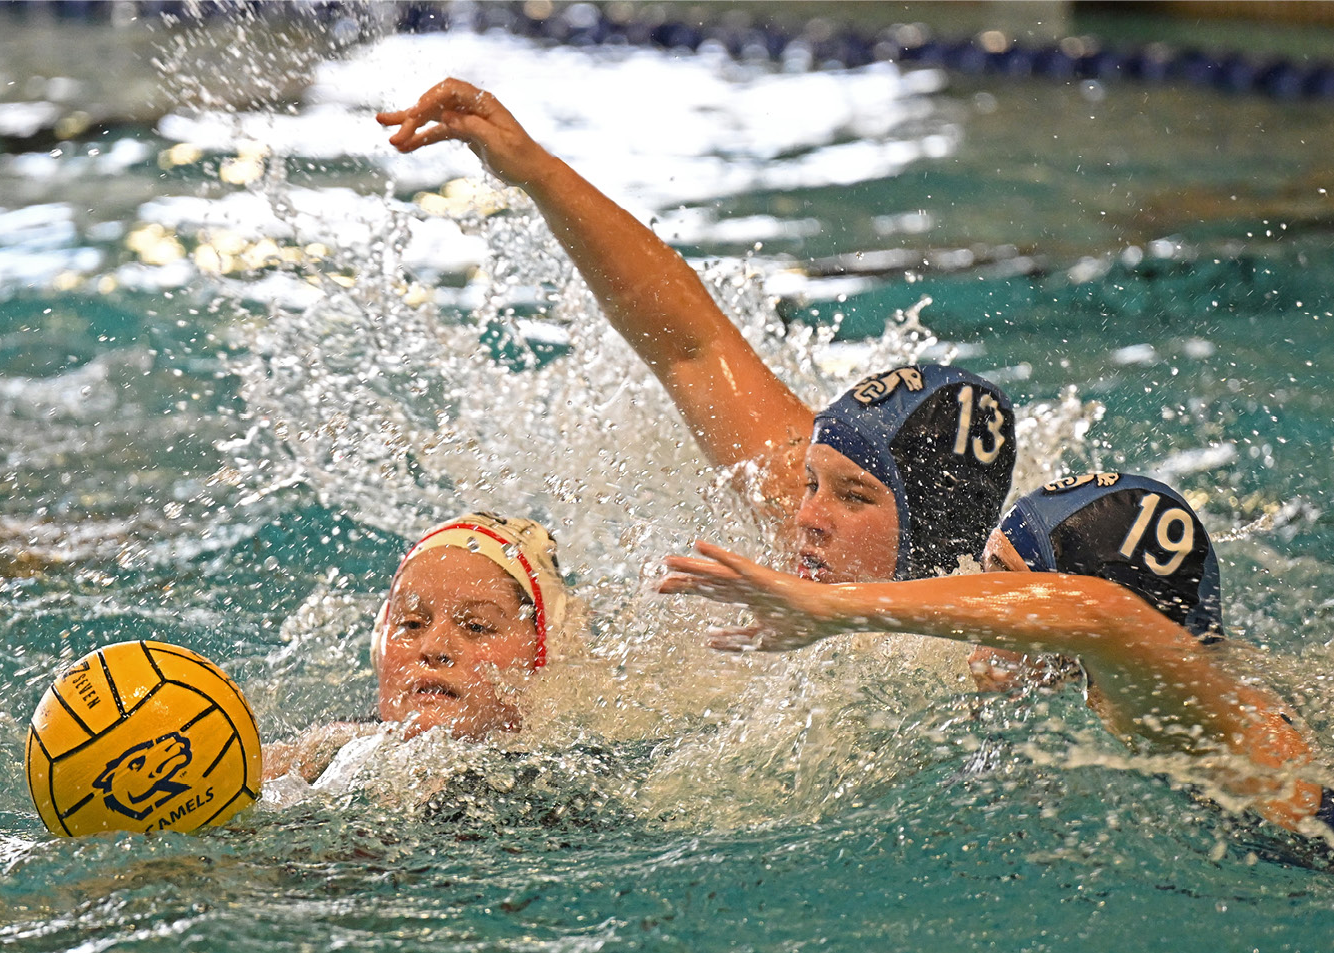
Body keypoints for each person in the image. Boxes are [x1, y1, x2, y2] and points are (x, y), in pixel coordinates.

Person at [376, 79, 1016, 583]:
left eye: (853, 498)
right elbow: (693, 346)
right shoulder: (793, 503)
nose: (805, 518)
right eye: (813, 480)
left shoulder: (978, 648)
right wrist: (534, 170)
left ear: (933, 535)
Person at [657, 471, 1334, 845]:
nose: (981, 609)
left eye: (1008, 588)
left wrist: (827, 609)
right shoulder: (1185, 678)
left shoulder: (1170, 703)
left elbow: (1102, 616)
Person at [264, 512, 569, 782]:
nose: (434, 648)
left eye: (476, 626)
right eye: (411, 624)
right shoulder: (323, 757)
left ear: (542, 655)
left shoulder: (572, 779)